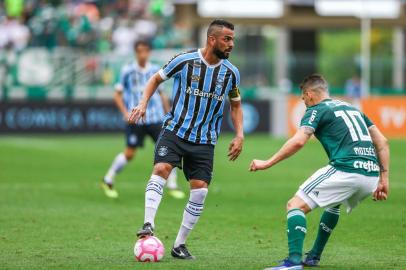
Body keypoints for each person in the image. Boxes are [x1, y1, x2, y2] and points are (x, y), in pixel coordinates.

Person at [128, 19, 244, 259]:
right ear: (212, 39)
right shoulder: (184, 61)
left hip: (205, 140)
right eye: (227, 39)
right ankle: (148, 224)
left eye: (232, 39)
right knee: (161, 168)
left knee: (200, 191)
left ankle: (179, 245)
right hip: (175, 131)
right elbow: (155, 79)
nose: (231, 44)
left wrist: (239, 134)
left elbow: (235, 105)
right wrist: (143, 103)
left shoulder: (231, 74)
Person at [249, 74, 389, 270]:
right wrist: (384, 179)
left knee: (295, 205)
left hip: (346, 170)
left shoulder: (316, 109)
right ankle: (314, 256)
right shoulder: (352, 108)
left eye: (303, 98)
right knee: (334, 203)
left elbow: (298, 141)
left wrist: (267, 162)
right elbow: (382, 141)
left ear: (309, 94)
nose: (303, 101)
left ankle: (293, 262)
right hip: (371, 176)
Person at [101, 40, 184, 200]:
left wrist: (169, 114)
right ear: (135, 52)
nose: (143, 54)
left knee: (170, 151)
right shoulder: (127, 71)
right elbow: (117, 94)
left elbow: (161, 94)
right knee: (130, 153)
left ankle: (172, 185)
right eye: (140, 51)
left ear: (149, 52)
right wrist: (126, 113)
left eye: (145, 51)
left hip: (156, 118)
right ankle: (108, 179)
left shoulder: (155, 70)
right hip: (136, 119)